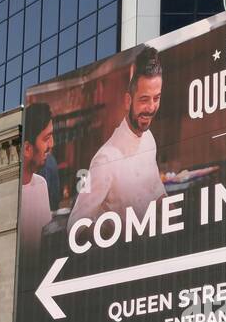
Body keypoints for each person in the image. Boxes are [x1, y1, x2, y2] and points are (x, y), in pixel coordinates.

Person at [69, 46, 166, 224]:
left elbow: (155, 189)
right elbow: (76, 224)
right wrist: (116, 231)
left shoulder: (149, 138)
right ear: (128, 101)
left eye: (156, 98)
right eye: (144, 99)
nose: (152, 108)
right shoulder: (105, 160)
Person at [20, 101, 55, 247]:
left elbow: (45, 240)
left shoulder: (41, 184)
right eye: (46, 138)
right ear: (27, 148)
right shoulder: (13, 191)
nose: (51, 144)